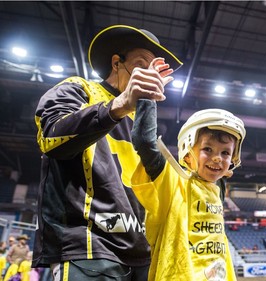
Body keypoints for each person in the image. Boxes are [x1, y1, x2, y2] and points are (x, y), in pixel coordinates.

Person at [32, 25, 182, 281]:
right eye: (141, 64)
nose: (149, 74)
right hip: (89, 247)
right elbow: (51, 138)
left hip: (143, 252)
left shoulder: (144, 126)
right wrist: (119, 105)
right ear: (116, 63)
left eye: (154, 69)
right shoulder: (78, 88)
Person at [131, 99, 246, 280]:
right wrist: (147, 96)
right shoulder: (172, 182)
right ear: (186, 151)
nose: (217, 158)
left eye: (225, 153)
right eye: (208, 149)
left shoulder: (217, 189)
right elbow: (144, 141)